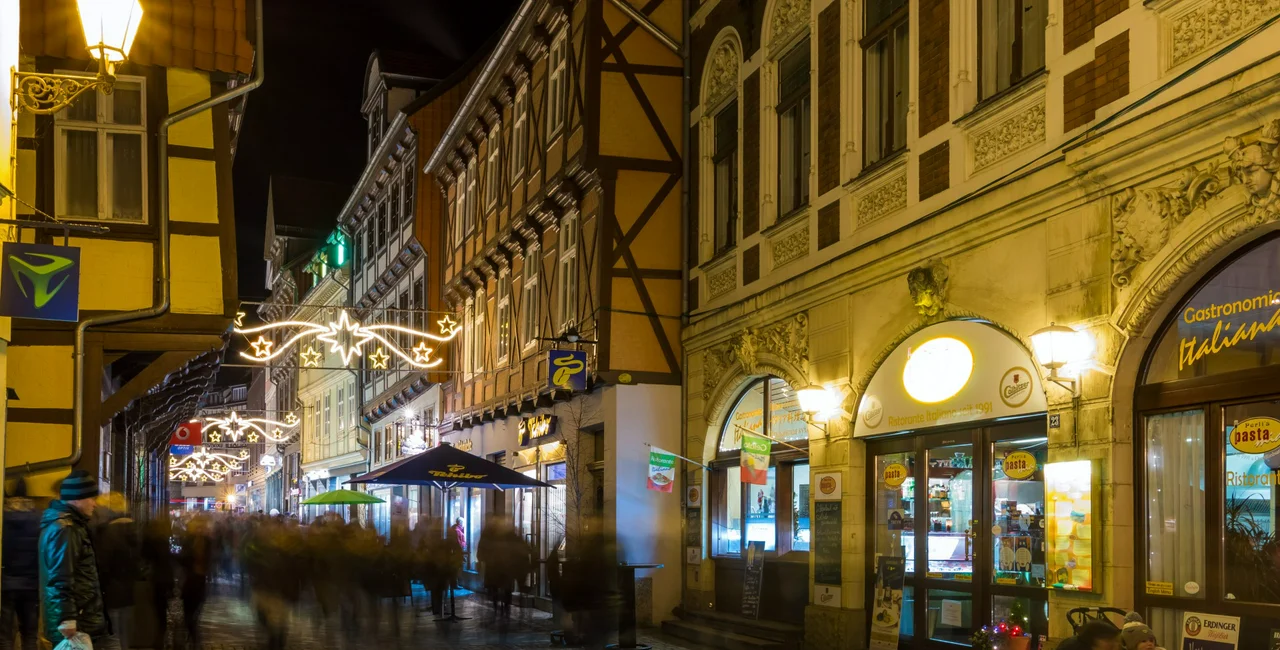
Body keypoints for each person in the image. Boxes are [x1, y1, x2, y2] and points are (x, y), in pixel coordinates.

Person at [38, 470, 118, 649]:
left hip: (82, 618)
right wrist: (67, 619)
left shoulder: (69, 525)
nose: (95, 504)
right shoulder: (66, 529)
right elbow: (59, 577)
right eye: (91, 498)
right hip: (79, 623)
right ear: (77, 499)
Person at [94, 496, 141, 650]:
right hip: (128, 590)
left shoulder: (109, 532)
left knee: (112, 635)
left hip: (112, 590)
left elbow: (104, 563)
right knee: (125, 634)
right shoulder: (133, 529)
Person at [1, 479, 41, 650]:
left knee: (4, 636)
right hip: (31, 584)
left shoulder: (3, 517)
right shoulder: (38, 517)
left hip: (6, 584)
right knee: (30, 635)